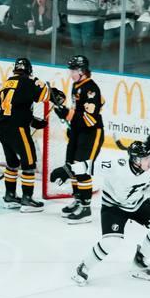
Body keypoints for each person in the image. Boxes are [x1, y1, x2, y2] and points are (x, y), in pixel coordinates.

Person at [71, 141, 150, 285]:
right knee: (111, 242)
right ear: (135, 160)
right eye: (145, 158)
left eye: (149, 157)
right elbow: (87, 166)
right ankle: (84, 267)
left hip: (138, 202)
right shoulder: (117, 166)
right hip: (113, 206)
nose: (149, 161)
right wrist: (66, 171)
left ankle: (140, 261)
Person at [50, 55, 104, 224]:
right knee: (71, 164)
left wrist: (67, 113)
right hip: (78, 132)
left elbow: (90, 119)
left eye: (73, 70)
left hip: (91, 133)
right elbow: (76, 113)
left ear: (81, 71)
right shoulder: (76, 85)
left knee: (81, 167)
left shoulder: (91, 89)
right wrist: (66, 116)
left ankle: (86, 208)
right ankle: (78, 199)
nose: (70, 73)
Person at [0, 57, 53, 213]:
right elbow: (44, 94)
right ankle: (27, 199)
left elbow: (14, 108)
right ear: (28, 70)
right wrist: (55, 94)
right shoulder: (27, 81)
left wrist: (33, 121)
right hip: (18, 129)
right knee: (29, 162)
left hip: (3, 128)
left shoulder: (7, 83)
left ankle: (9, 196)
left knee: (12, 162)